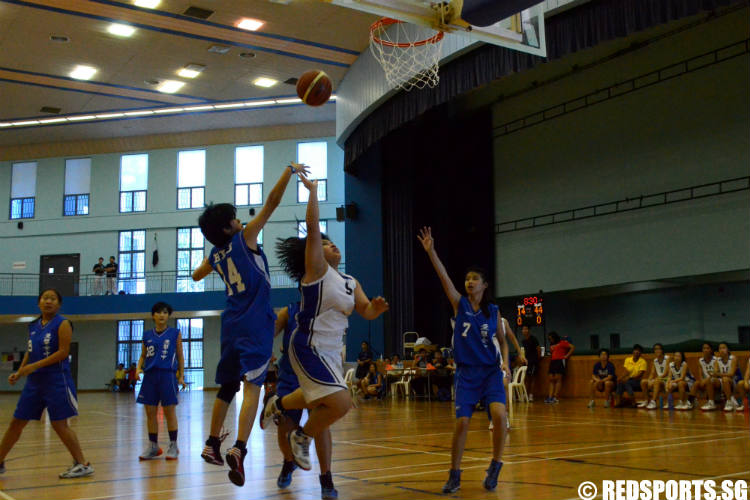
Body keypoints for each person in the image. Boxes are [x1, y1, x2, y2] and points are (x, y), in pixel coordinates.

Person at [260, 173, 389, 500]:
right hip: (307, 346)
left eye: (334, 243)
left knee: (325, 401)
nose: (332, 244)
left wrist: (375, 308)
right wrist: (314, 191)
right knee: (342, 402)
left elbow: (365, 312)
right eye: (326, 243)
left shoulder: (350, 280)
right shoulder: (316, 271)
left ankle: (279, 404)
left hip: (331, 352)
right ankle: (300, 438)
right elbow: (314, 225)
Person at [192, 162, 308, 486]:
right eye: (236, 216)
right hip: (256, 323)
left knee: (227, 386)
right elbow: (271, 203)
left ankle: (212, 442)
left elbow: (195, 274)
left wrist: (211, 260)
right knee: (252, 387)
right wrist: (288, 171)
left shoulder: (216, 254)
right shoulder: (245, 238)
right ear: (231, 225)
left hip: (230, 324)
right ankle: (239, 448)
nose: (240, 218)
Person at [417, 226, 508, 493]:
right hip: (467, 374)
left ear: (484, 284)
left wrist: (506, 363)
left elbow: (502, 340)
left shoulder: (493, 311)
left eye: (474, 279)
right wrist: (431, 251)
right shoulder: (460, 304)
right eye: (467, 278)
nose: (469, 282)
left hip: (491, 371)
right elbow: (444, 277)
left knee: (500, 416)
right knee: (463, 423)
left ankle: (495, 465)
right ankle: (454, 473)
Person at [0, 289, 93, 478]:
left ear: (58, 304)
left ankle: (82, 464)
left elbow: (62, 352)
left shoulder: (63, 323)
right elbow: (29, 350)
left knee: (60, 425)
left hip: (57, 380)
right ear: (39, 302)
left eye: (52, 299)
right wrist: (20, 371)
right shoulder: (33, 326)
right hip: (34, 383)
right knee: (16, 422)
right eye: (45, 298)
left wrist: (33, 366)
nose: (48, 301)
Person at [135, 302, 185, 460]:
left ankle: (173, 445)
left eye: (165, 312)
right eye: (158, 312)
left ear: (168, 315)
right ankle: (153, 446)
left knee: (170, 411)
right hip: (149, 376)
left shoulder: (175, 333)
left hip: (167, 375)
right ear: (153, 315)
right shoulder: (147, 335)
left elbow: (180, 355)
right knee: (150, 412)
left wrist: (181, 375)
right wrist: (138, 368)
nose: (162, 315)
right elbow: (143, 355)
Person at [545, 331, 574, 404]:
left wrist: (566, 356)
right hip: (553, 362)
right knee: (551, 379)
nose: (550, 340)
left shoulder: (562, 342)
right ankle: (550, 396)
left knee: (558, 379)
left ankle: (555, 397)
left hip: (560, 361)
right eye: (549, 339)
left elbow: (572, 347)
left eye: (551, 338)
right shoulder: (552, 346)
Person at [638, 343, 670, 409]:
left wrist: (656, 379)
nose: (657, 350)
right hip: (659, 379)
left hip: (667, 379)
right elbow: (652, 373)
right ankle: (646, 400)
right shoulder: (655, 360)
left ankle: (654, 402)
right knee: (643, 382)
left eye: (659, 349)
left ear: (662, 350)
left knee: (656, 381)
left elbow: (666, 372)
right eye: (655, 349)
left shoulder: (667, 358)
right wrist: (649, 380)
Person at [713, 342, 742, 412]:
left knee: (725, 379)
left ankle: (729, 402)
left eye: (724, 348)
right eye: (720, 348)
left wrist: (719, 374)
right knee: (712, 380)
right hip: (724, 381)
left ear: (728, 349)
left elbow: (731, 374)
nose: (722, 350)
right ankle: (712, 401)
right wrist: (717, 374)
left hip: (735, 381)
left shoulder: (733, 358)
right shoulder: (717, 360)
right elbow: (714, 373)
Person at [691, 342, 720, 411]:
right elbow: (700, 375)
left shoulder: (716, 359)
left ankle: (711, 402)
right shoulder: (700, 360)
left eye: (707, 348)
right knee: (696, 383)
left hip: (715, 380)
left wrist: (706, 380)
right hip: (705, 381)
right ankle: (691, 402)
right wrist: (701, 381)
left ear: (711, 350)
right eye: (704, 348)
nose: (705, 350)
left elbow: (715, 373)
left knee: (709, 381)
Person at [520, 326, 540, 401]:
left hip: (533, 362)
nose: (524, 330)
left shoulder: (534, 339)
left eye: (526, 329)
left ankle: (531, 395)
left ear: (529, 330)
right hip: (526, 362)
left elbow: (538, 350)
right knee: (526, 379)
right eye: (523, 329)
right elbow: (523, 352)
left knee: (532, 378)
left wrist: (537, 360)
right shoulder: (523, 341)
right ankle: (525, 395)